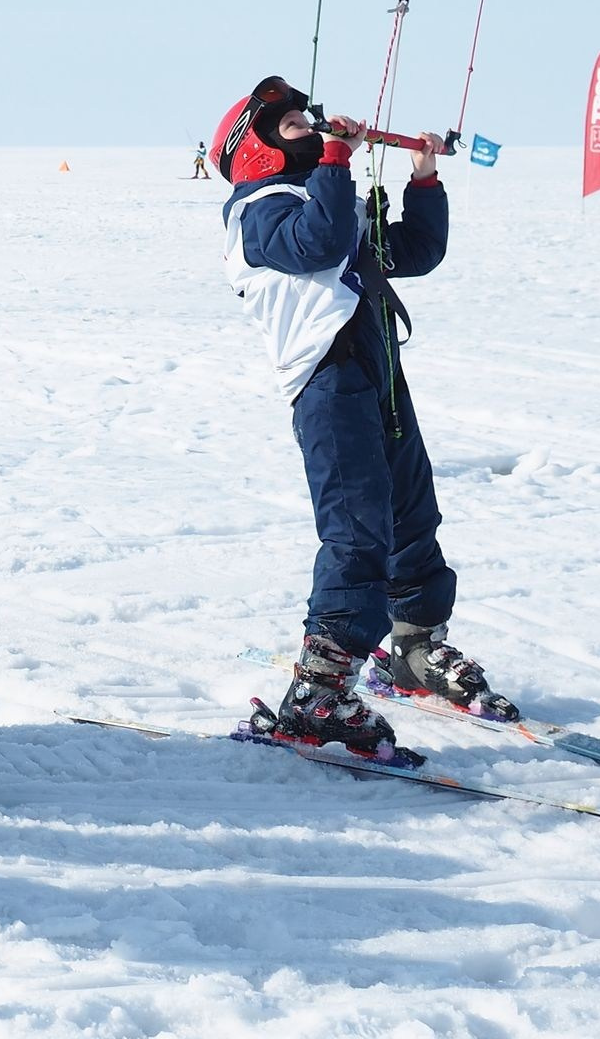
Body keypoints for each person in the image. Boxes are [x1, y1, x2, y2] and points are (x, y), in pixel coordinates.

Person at [214, 74, 511, 761]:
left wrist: (425, 178)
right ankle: (320, 687)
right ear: (252, 145)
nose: (307, 124)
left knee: (412, 510)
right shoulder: (256, 207)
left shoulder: (327, 192)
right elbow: (316, 243)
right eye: (290, 123)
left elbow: (415, 252)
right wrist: (337, 162)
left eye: (305, 119)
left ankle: (415, 645)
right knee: (358, 527)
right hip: (326, 381)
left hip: (378, 373)